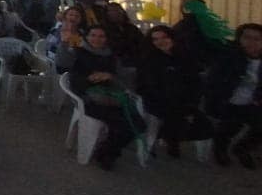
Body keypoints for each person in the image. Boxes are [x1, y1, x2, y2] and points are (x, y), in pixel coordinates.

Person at [68, 26, 145, 170]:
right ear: (87, 37)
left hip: (113, 97)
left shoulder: (112, 57)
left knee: (138, 123)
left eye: (101, 36)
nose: (96, 39)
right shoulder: (78, 53)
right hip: (89, 98)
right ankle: (108, 154)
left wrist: (110, 77)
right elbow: (72, 78)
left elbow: (123, 82)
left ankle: (106, 150)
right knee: (119, 123)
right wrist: (90, 79)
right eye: (93, 35)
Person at [135, 25, 211, 158]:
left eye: (164, 37)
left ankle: (171, 138)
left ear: (172, 38)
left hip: (183, 101)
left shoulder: (185, 57)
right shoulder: (149, 59)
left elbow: (195, 83)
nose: (161, 42)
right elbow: (146, 86)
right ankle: (164, 139)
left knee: (203, 125)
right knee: (169, 117)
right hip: (157, 101)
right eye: (156, 39)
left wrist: (190, 102)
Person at [207, 23, 262, 169]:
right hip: (230, 101)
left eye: (257, 39)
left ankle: (242, 148)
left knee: (259, 128)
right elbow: (214, 80)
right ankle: (220, 150)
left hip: (254, 102)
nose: (252, 42)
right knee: (228, 129)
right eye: (247, 38)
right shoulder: (229, 56)